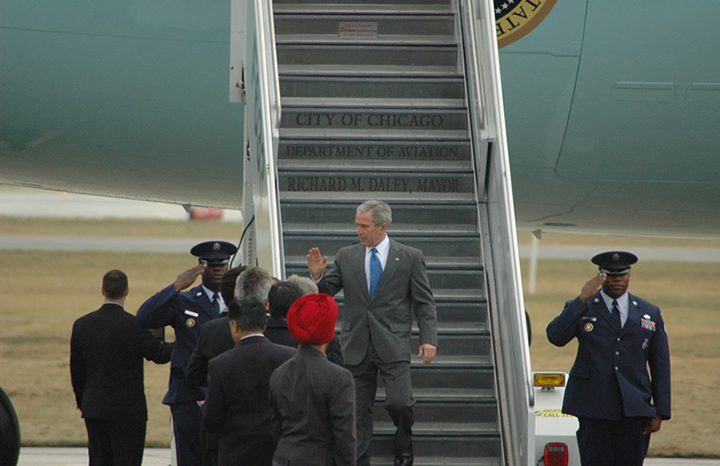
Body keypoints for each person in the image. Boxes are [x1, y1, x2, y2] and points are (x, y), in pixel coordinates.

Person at [307, 199, 438, 466]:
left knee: (400, 402)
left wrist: (428, 339)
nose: (359, 231)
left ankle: (403, 444)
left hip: (393, 342)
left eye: (364, 226)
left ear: (383, 226)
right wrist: (318, 277)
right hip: (356, 343)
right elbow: (326, 293)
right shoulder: (347, 255)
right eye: (357, 225)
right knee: (356, 412)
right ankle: (359, 460)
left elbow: (424, 303)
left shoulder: (410, 256)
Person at [546, 251, 671, 466]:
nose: (617, 280)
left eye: (622, 275)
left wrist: (660, 411)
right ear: (601, 276)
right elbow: (556, 337)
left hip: (634, 408)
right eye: (611, 275)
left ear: (629, 276)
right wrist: (582, 298)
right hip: (594, 406)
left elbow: (660, 365)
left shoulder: (648, 312)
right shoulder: (583, 307)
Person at [137, 240, 237, 466]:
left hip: (227, 393)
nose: (217, 270)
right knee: (191, 459)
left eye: (221, 265)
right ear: (201, 267)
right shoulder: (185, 300)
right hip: (189, 395)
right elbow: (144, 317)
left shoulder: (237, 303)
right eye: (211, 265)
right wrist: (176, 287)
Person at [70, 270, 173, 466]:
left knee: (99, 460)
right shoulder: (134, 325)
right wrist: (185, 343)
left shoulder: (82, 325)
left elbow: (76, 370)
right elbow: (158, 355)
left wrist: (84, 402)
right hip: (128, 410)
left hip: (94, 406)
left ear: (102, 290)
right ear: (127, 291)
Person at [201, 297, 296, 466]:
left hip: (236, 454)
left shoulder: (220, 365)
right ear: (264, 324)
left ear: (234, 325)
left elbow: (211, 419)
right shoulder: (290, 357)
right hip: (278, 452)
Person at [270, 293, 357, 466]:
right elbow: (345, 437)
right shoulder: (339, 377)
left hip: (284, 458)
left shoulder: (279, 374)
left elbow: (276, 426)